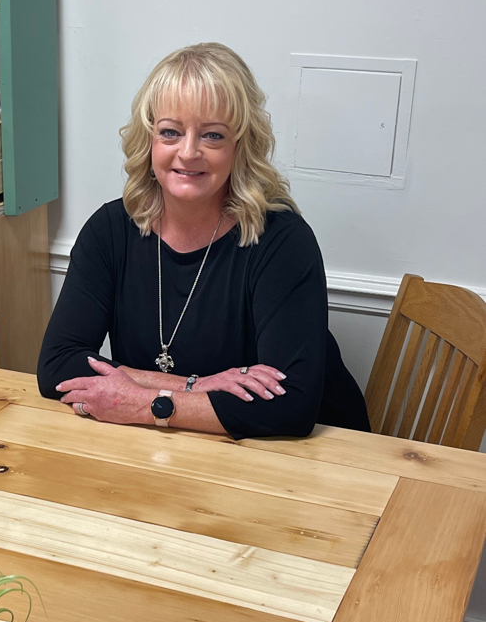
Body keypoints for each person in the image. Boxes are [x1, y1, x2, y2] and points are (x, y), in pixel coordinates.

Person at [37, 42, 370, 439]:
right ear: (149, 142)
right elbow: (57, 366)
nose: (188, 152)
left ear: (239, 146)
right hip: (188, 446)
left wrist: (139, 396)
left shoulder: (282, 240)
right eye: (170, 132)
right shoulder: (110, 230)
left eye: (212, 135)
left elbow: (291, 406)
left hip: (311, 460)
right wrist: (199, 386)